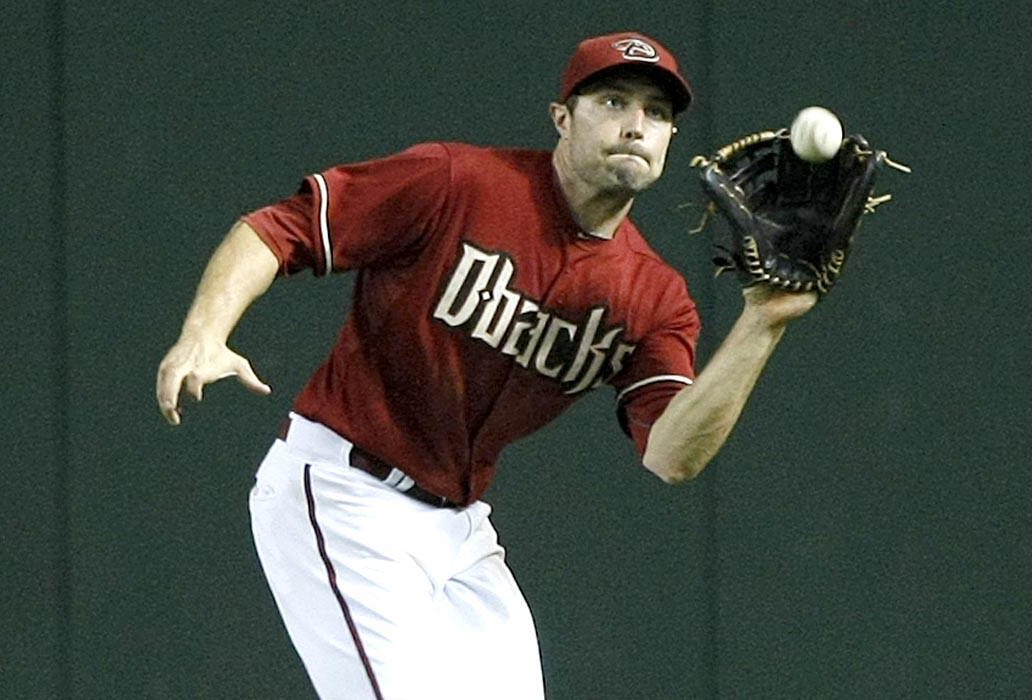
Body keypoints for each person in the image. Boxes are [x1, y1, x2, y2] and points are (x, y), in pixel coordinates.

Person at [156, 31, 816, 699]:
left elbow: (672, 453)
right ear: (562, 118)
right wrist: (202, 333)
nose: (635, 126)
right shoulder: (458, 183)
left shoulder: (654, 297)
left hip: (462, 532)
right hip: (343, 490)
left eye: (657, 113)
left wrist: (762, 325)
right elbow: (281, 228)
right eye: (613, 101)